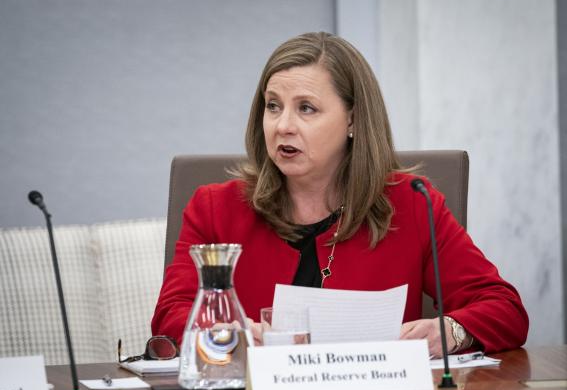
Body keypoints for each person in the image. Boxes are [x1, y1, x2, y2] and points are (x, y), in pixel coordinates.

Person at [152, 32, 528, 356]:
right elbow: (170, 317)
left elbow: (505, 309)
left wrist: (450, 332)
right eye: (273, 106)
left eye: (306, 108)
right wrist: (232, 333)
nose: (283, 126)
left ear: (352, 119)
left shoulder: (411, 204)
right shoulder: (215, 209)